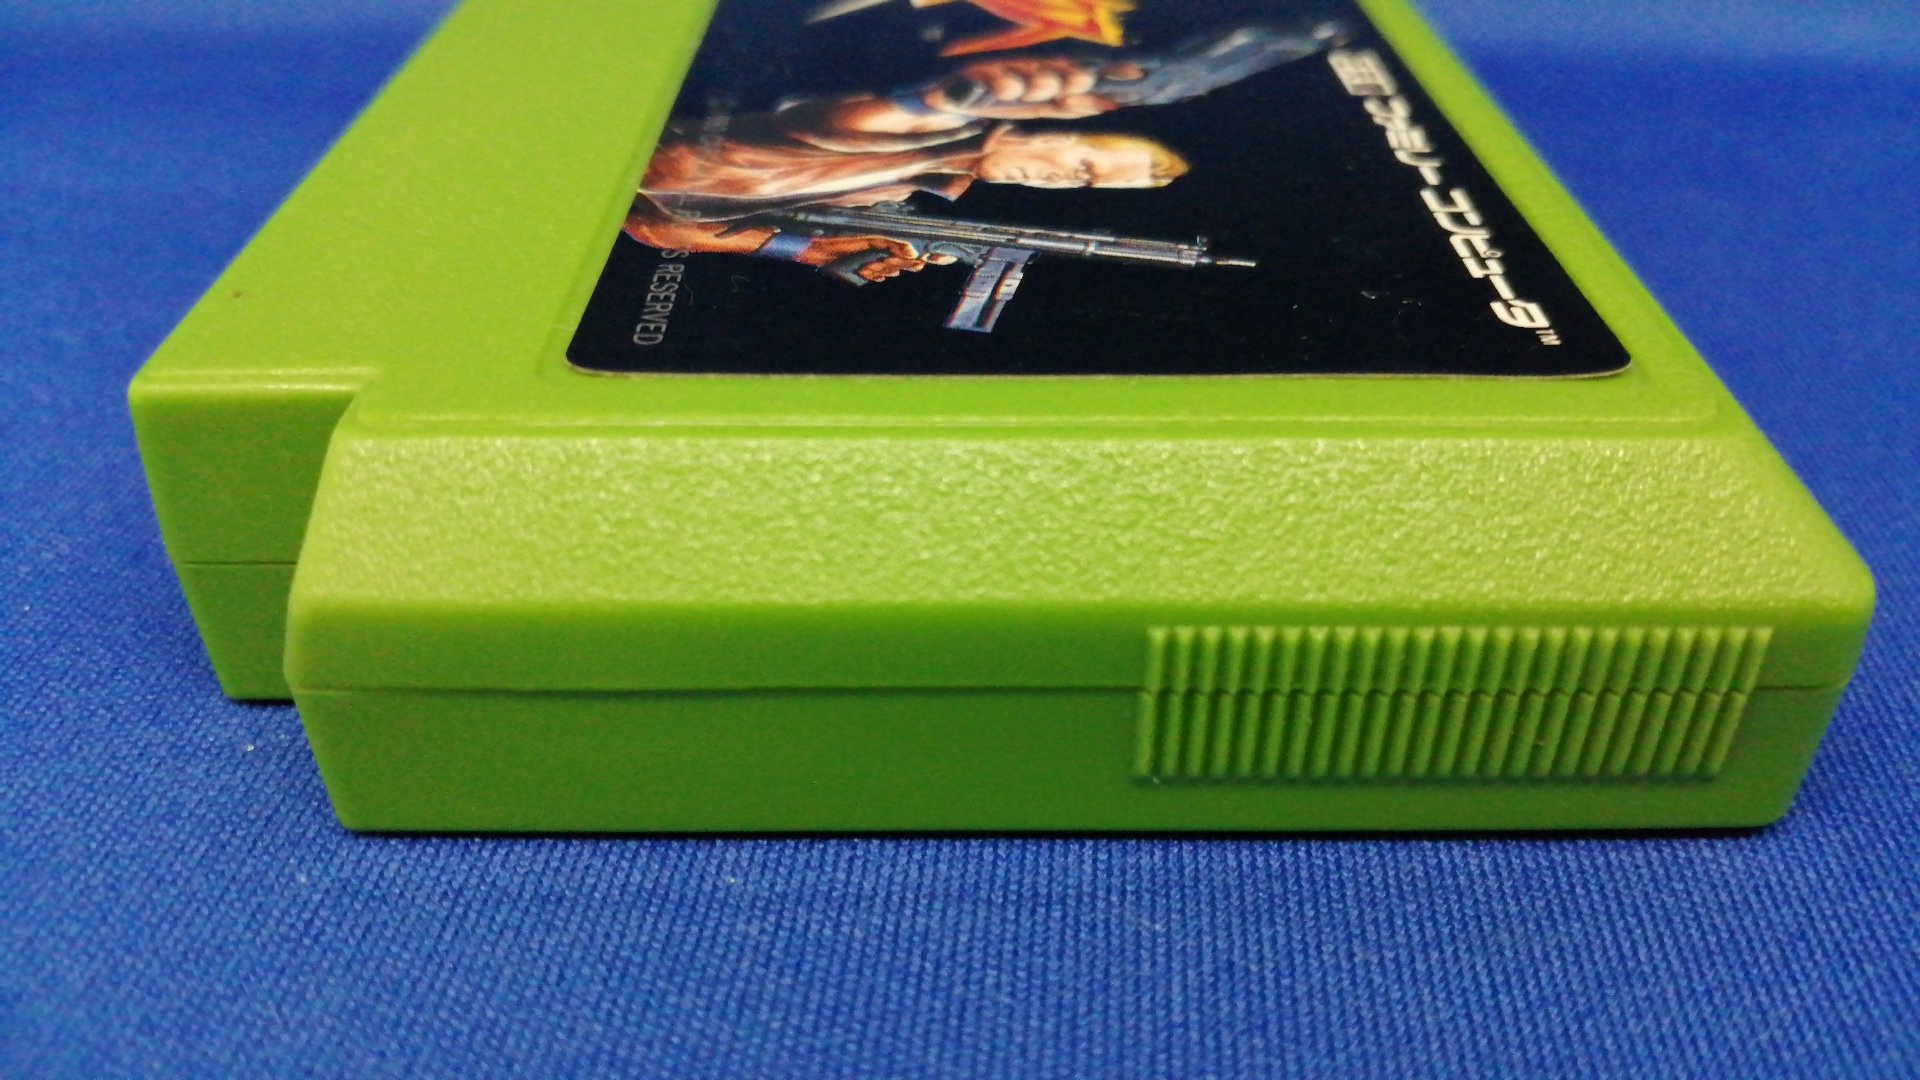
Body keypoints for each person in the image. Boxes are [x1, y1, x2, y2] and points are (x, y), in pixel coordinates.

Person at [623, 56, 1189, 282]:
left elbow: (658, 230)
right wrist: (943, 101)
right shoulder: (923, 132)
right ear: (1057, 126)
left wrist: (809, 250)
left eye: (1089, 184)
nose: (1069, 180)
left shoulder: (902, 185)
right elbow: (855, 120)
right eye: (1085, 163)